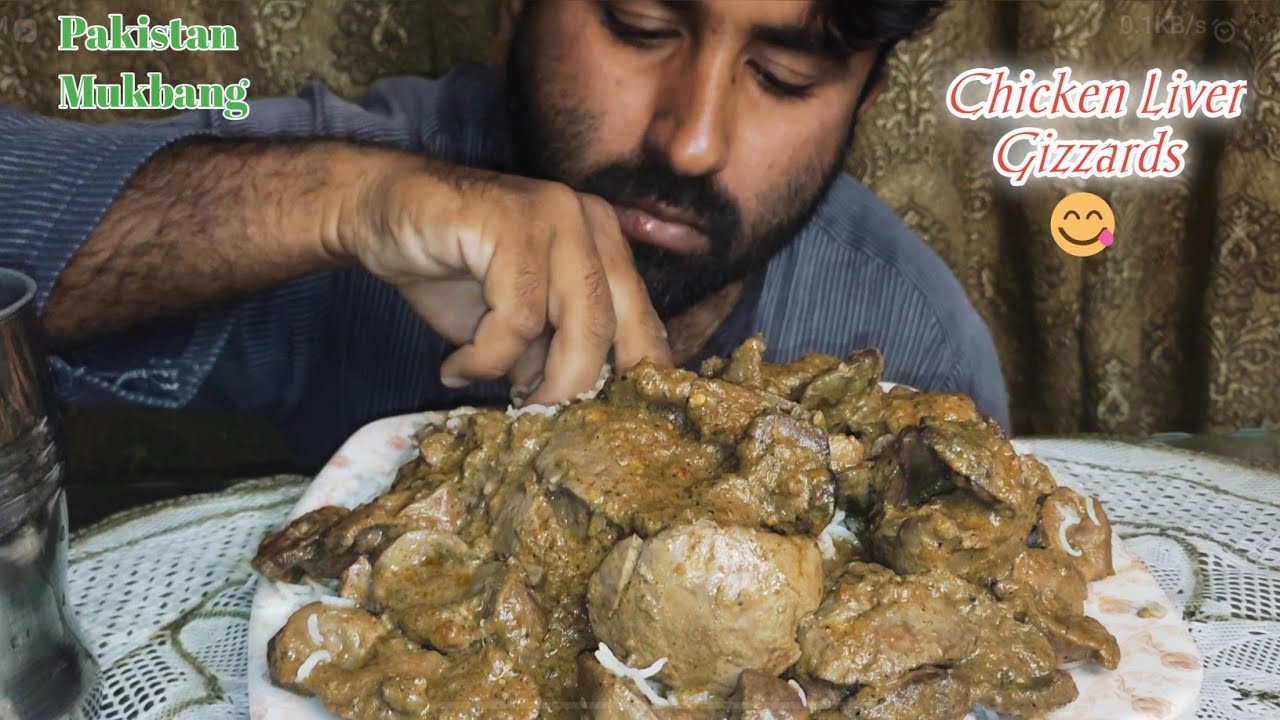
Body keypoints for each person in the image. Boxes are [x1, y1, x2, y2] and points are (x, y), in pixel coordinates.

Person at [0, 0, 1006, 469]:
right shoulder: (377, 173)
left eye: (784, 77)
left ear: (865, 99)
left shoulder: (914, 342)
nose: (692, 140)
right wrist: (343, 207)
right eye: (641, 26)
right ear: (510, 12)